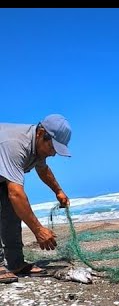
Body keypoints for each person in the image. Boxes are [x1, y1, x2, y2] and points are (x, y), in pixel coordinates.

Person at [0, 114, 72, 283]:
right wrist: (38, 230)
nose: (53, 154)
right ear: (40, 133)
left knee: (12, 210)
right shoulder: (15, 145)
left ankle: (15, 263)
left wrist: (58, 191)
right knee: (15, 197)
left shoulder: (37, 148)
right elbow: (16, 193)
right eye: (52, 147)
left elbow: (42, 169)